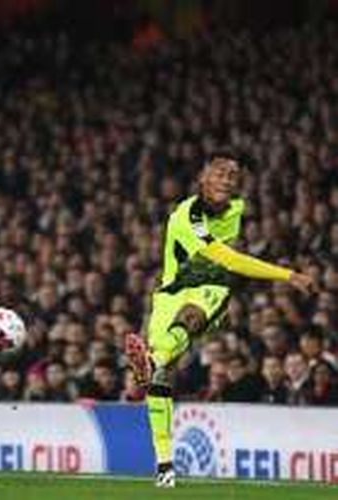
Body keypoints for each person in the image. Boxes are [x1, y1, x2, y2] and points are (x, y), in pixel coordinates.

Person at [123, 152, 315, 488]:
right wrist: (288, 275)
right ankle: (165, 464)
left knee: (192, 316)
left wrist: (285, 277)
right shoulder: (188, 214)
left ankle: (153, 359)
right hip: (170, 292)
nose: (227, 179)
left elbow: (224, 264)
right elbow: (225, 255)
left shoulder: (235, 210)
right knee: (162, 376)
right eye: (219, 173)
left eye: (233, 175)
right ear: (203, 178)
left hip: (207, 288)